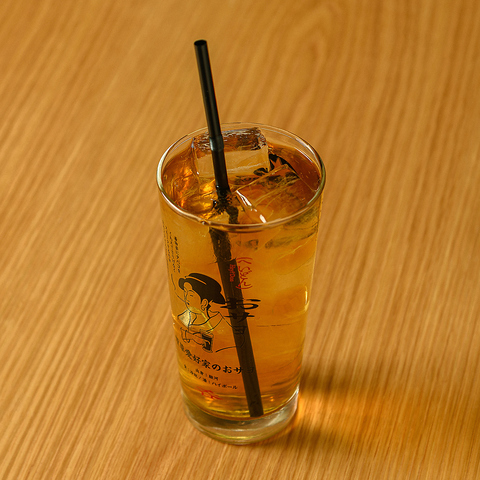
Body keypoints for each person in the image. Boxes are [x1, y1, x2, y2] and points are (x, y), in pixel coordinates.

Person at [177, 273, 233, 353]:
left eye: (191, 295)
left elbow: (225, 349)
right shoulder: (183, 317)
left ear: (204, 303)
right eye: (185, 292)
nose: (186, 298)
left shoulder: (219, 324)